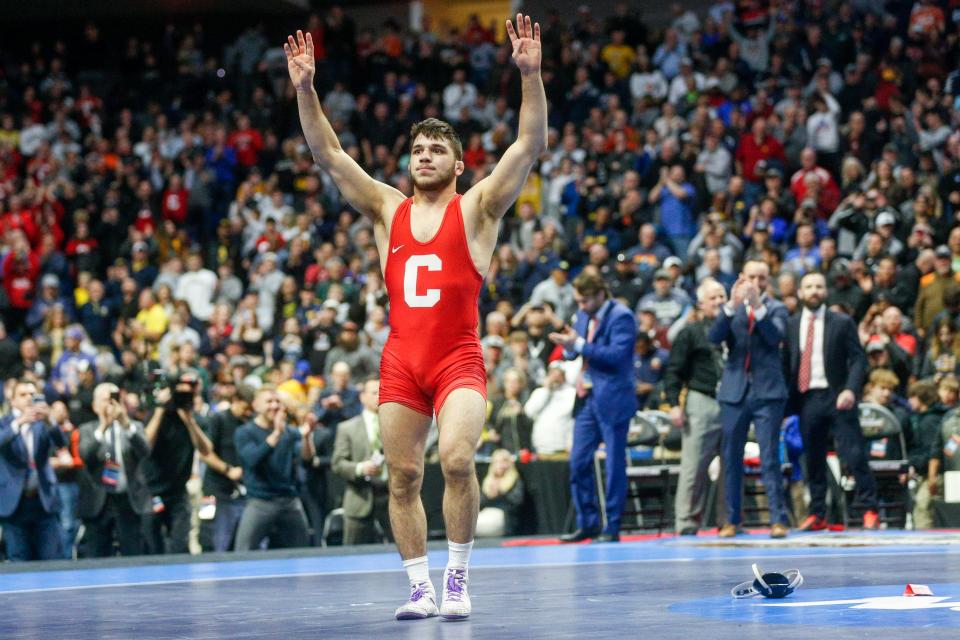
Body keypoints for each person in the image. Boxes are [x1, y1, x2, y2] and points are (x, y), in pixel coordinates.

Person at [286, 14, 545, 617]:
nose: (424, 156)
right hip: (402, 361)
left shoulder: (479, 207)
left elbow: (528, 144)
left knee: (456, 459)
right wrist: (305, 89)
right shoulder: (387, 208)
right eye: (418, 149)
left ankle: (457, 577)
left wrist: (530, 76)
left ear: (458, 166)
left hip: (457, 358)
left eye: (437, 150)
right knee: (401, 476)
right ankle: (419, 587)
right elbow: (327, 152)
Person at [786, 272, 879, 531]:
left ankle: (869, 508)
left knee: (854, 453)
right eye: (809, 286)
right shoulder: (791, 324)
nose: (814, 291)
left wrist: (850, 389)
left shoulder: (841, 321)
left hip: (838, 395)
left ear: (825, 291)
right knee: (812, 459)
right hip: (807, 398)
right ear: (800, 292)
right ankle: (818, 513)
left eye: (818, 286)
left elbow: (858, 359)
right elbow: (787, 365)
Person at [550, 271, 638, 543]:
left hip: (613, 397)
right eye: (578, 301)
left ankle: (612, 526)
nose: (581, 306)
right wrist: (568, 347)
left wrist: (578, 343)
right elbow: (576, 351)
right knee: (578, 461)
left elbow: (616, 356)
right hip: (586, 398)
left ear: (600, 294)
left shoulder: (622, 316)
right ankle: (587, 522)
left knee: (613, 465)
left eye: (585, 301)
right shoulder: (584, 314)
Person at [708, 260, 790, 539]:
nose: (756, 282)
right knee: (731, 458)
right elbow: (714, 336)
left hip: (767, 393)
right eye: (751, 277)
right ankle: (731, 519)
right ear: (742, 278)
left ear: (768, 280)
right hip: (734, 392)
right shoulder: (732, 311)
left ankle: (778, 520)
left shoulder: (776, 309)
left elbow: (775, 336)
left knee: (769, 458)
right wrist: (730, 305)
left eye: (762, 277)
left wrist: (757, 307)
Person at [663, 278, 726, 535]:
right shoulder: (691, 332)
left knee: (730, 466)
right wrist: (675, 405)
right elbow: (674, 371)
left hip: (732, 401)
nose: (719, 301)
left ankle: (729, 520)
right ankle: (686, 521)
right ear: (701, 304)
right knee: (694, 465)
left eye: (722, 296)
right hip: (702, 400)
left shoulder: (736, 329)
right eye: (713, 298)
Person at [233, 386, 314, 550]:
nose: (275, 405)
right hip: (260, 501)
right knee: (243, 553)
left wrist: (306, 437)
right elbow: (252, 460)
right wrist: (276, 433)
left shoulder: (289, 432)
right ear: (255, 405)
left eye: (277, 401)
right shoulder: (244, 432)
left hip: (289, 500)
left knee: (303, 552)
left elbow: (307, 460)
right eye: (269, 401)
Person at [141, 372, 213, 554]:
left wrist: (189, 421)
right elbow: (145, 446)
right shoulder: (156, 415)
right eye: (179, 394)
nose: (182, 398)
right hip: (152, 492)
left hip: (179, 492)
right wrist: (160, 408)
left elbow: (206, 450)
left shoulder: (191, 419)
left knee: (180, 545)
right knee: (153, 545)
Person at [77, 383, 152, 557]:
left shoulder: (134, 427)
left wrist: (125, 423)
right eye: (106, 400)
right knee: (97, 555)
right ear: (95, 405)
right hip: (98, 501)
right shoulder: (87, 429)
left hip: (128, 500)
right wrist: (103, 426)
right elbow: (85, 455)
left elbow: (145, 451)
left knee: (133, 553)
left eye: (115, 400)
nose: (111, 405)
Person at [0, 379, 66, 560]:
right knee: (19, 558)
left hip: (43, 500)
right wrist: (19, 422)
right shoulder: (5, 423)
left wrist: (50, 420)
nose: (29, 398)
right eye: (23, 395)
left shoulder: (42, 424)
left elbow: (61, 443)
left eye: (32, 394)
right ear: (12, 400)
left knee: (51, 558)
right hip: (14, 503)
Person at [331, 377, 393, 545]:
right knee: (352, 555)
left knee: (405, 553)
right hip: (360, 498)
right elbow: (338, 463)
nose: (380, 396)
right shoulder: (347, 428)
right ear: (362, 397)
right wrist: (359, 468)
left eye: (383, 392)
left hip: (392, 498)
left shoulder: (397, 426)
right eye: (374, 392)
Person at [199, 385, 253, 552]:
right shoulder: (218, 419)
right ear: (235, 401)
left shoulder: (248, 424)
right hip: (214, 490)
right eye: (245, 408)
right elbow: (204, 453)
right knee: (211, 539)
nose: (248, 413)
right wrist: (227, 470)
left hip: (241, 492)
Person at [476, 449, 524, 537]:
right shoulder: (488, 481)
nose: (500, 465)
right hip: (485, 520)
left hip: (505, 522)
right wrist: (489, 495)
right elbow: (480, 502)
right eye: (497, 462)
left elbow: (517, 501)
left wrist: (500, 493)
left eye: (504, 461)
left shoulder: (515, 479)